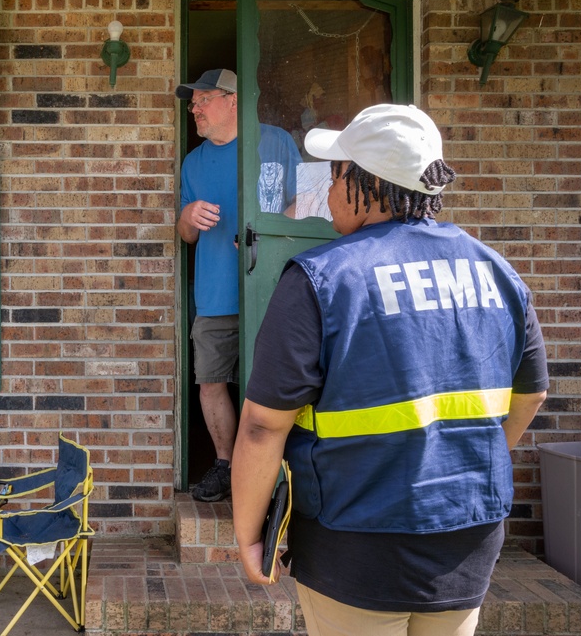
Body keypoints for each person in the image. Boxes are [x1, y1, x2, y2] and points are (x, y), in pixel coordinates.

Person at [231, 103, 549, 635]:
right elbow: (531, 396)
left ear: (367, 184)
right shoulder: (498, 272)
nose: (328, 193)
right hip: (467, 538)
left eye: (335, 177)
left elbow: (264, 425)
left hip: (353, 546)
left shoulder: (319, 279)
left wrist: (248, 534)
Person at [175, 68, 301, 502]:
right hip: (214, 293)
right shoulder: (194, 162)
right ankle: (227, 466)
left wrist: (268, 230)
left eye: (202, 100)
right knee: (210, 381)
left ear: (232, 100)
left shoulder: (276, 142)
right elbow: (185, 234)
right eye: (192, 103)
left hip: (271, 288)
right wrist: (187, 217)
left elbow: (305, 203)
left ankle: (277, 471)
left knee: (271, 381)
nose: (194, 109)